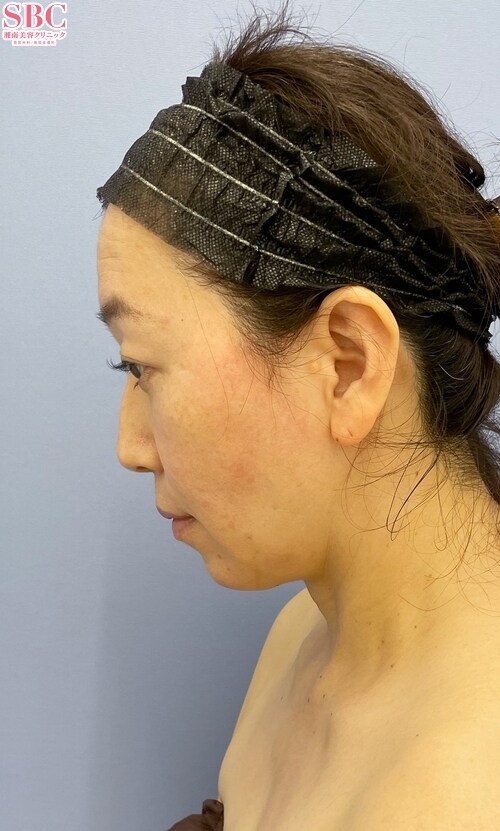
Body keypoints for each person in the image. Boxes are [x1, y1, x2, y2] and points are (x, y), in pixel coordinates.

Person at [95, 2, 500, 828]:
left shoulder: (455, 797)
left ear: (349, 363)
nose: (130, 446)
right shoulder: (305, 634)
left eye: (144, 366)